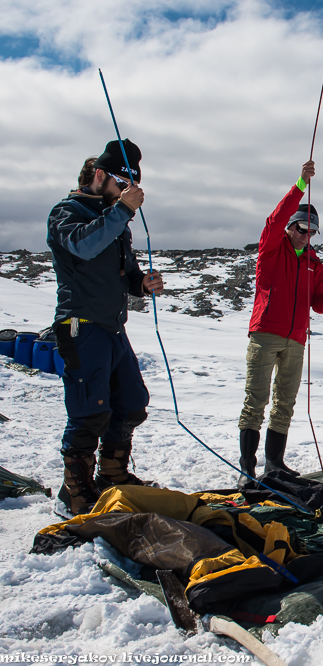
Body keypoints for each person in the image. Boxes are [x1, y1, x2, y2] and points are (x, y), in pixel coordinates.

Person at [47, 139, 165, 515]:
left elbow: (126, 272)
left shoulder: (117, 220)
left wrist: (142, 283)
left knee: (131, 403)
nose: (126, 193)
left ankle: (112, 477)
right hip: (80, 324)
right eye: (121, 183)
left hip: (113, 328)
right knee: (89, 412)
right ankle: (75, 495)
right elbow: (83, 247)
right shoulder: (67, 212)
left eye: (131, 187)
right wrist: (122, 212)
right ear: (99, 175)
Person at [237, 161, 323, 485]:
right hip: (265, 335)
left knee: (285, 403)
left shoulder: (314, 263)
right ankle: (247, 469)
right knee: (255, 402)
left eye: (311, 232)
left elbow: (317, 301)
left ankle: (275, 465)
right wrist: (301, 183)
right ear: (290, 227)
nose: (305, 236)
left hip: (296, 340)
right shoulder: (271, 247)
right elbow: (275, 218)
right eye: (301, 229)